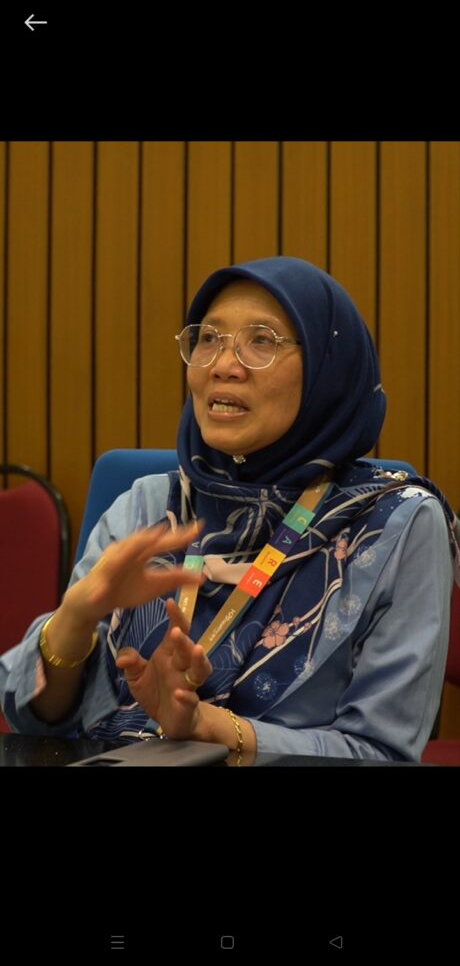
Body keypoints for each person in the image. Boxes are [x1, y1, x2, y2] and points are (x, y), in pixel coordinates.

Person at [1, 256, 458, 762]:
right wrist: (74, 617)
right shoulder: (148, 506)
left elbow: (382, 752)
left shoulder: (396, 525)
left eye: (261, 340)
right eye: (208, 339)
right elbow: (36, 720)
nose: (222, 365)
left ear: (329, 368)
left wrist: (210, 727)